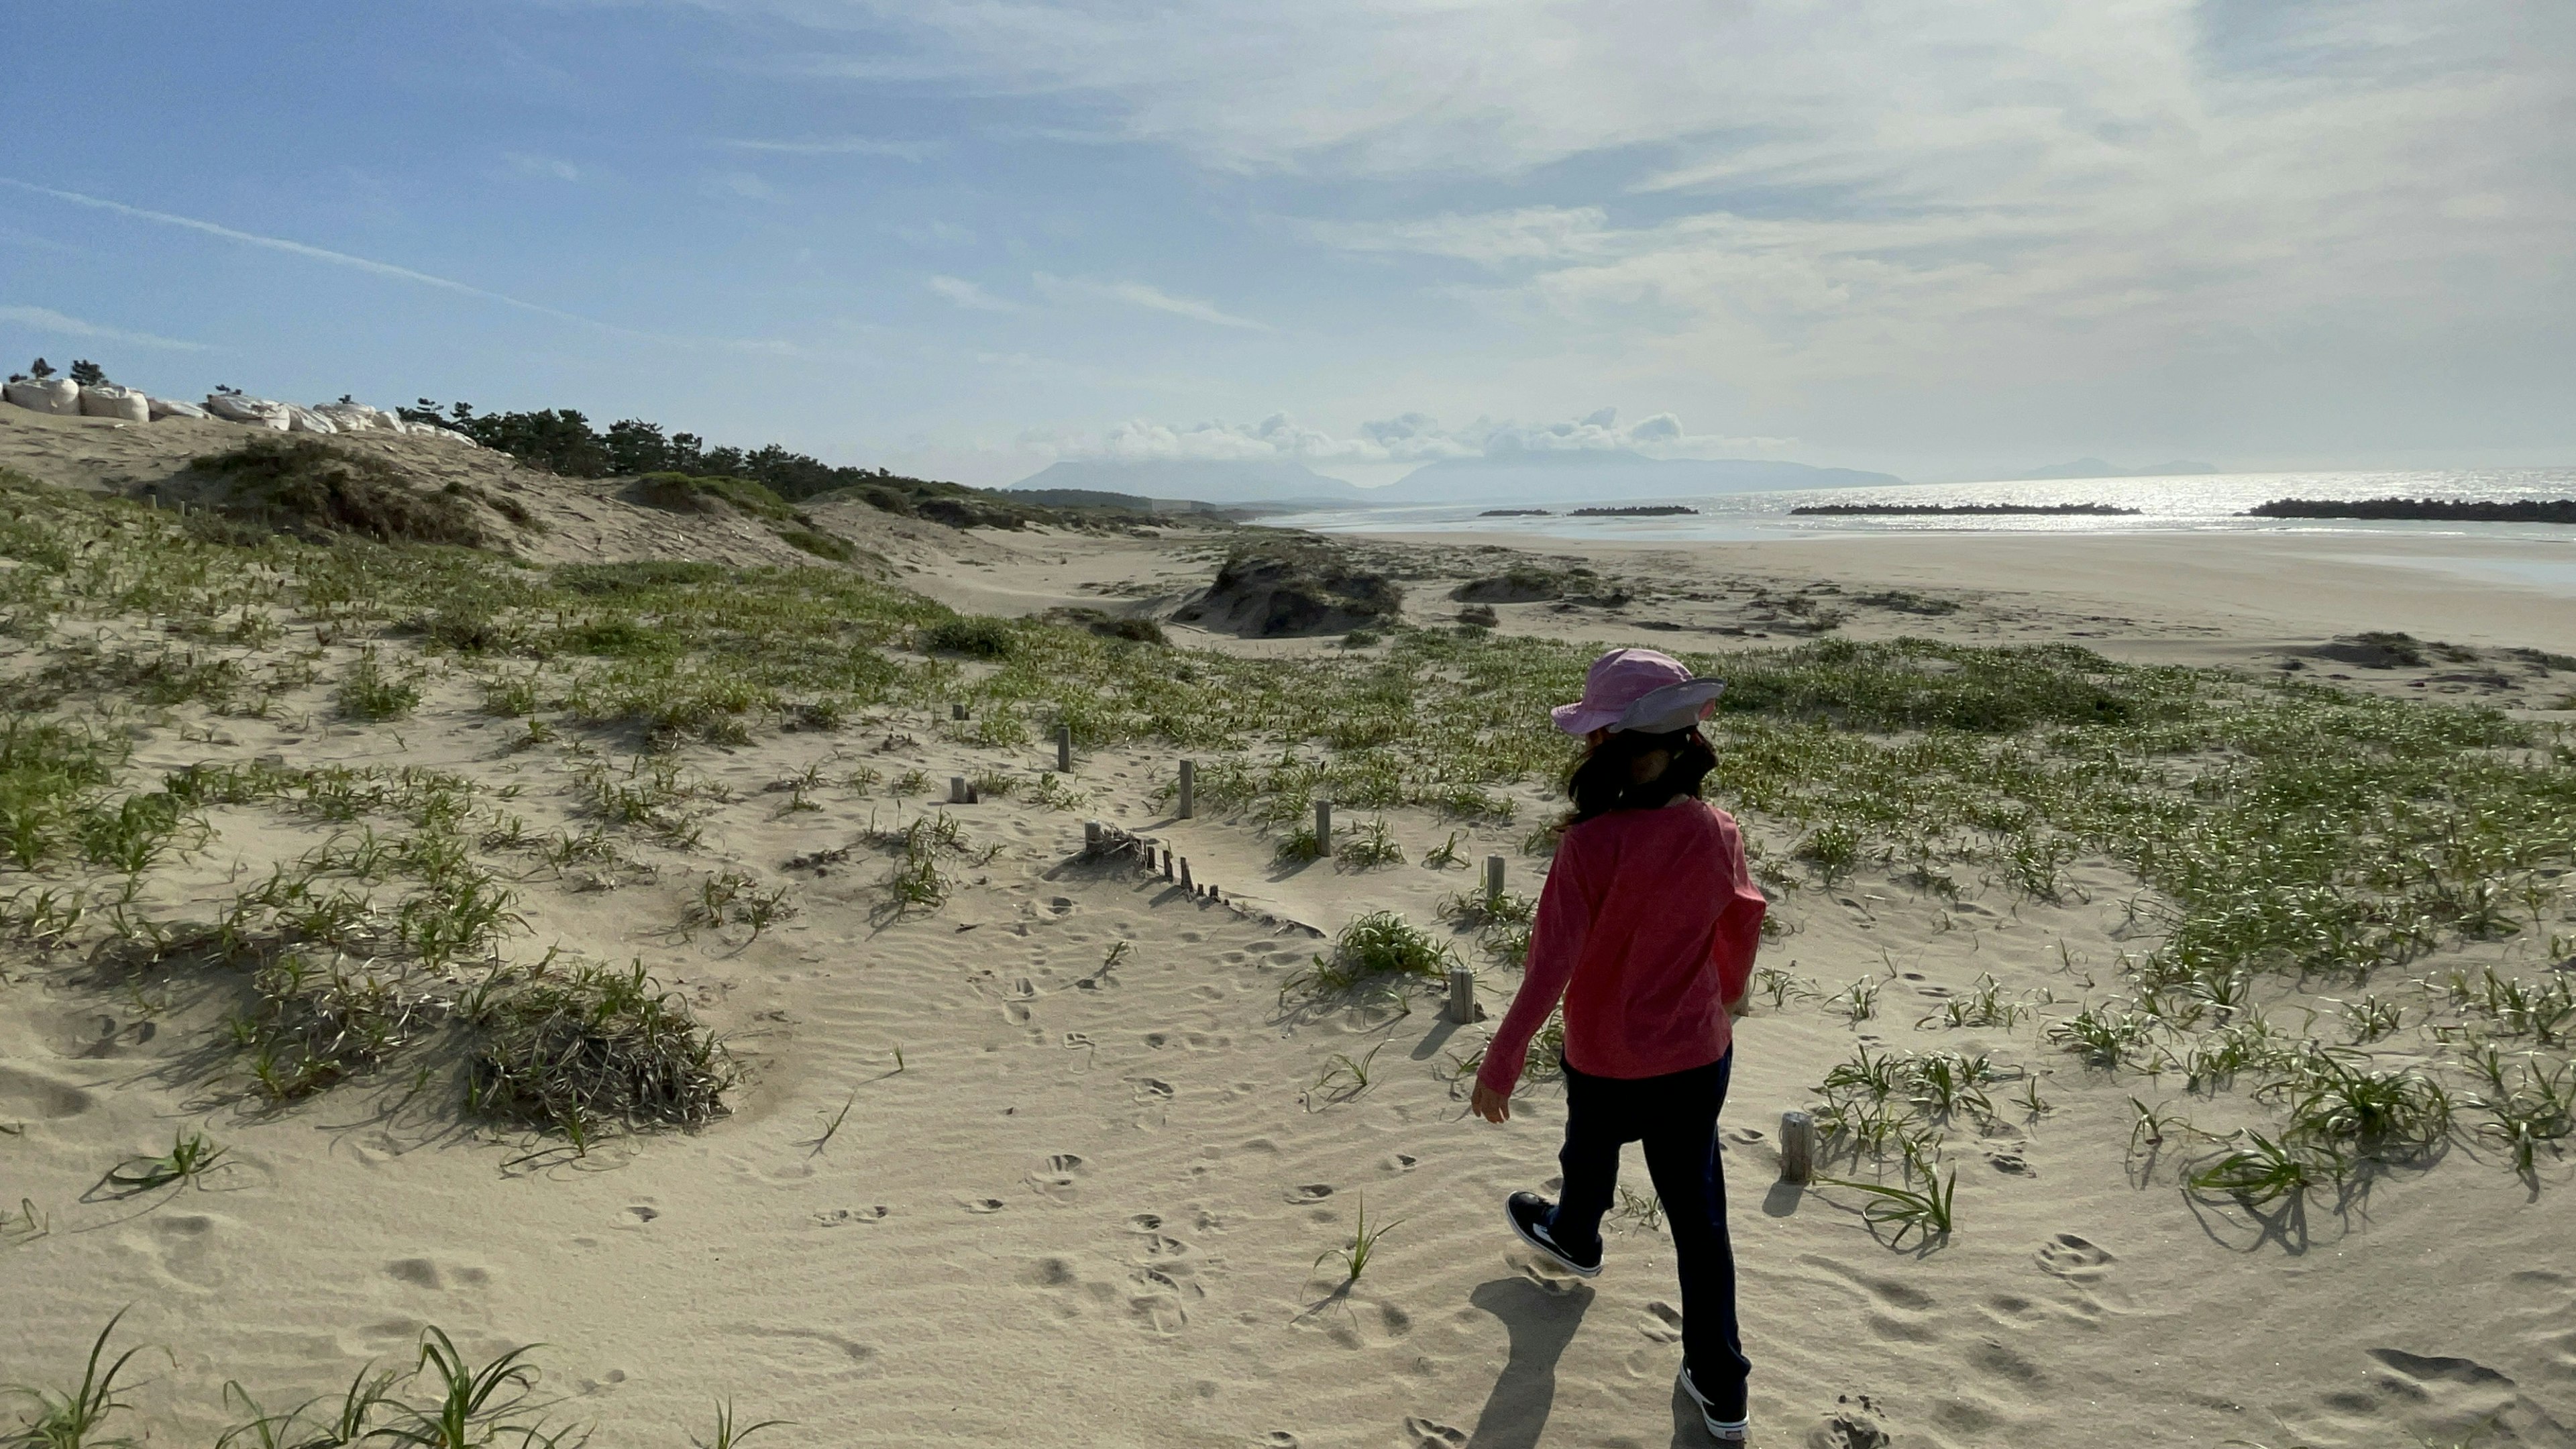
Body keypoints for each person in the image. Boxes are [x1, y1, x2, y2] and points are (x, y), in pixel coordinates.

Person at [1470, 647, 1768, 1444]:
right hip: (1696, 1056)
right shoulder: (1718, 830)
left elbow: (1549, 965)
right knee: (1699, 1218)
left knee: (1591, 1138)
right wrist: (1730, 994)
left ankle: (1576, 1231)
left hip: (1604, 1053)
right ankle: (1722, 1383)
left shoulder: (1590, 847)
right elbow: (1743, 917)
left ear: (1605, 748)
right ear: (1685, 748)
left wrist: (1500, 1062)